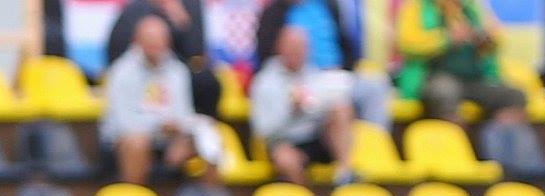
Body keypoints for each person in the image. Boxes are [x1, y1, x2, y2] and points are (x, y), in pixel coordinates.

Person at [100, 14, 221, 185]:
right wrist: (159, 126)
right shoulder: (122, 72)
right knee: (137, 143)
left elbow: (183, 113)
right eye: (150, 39)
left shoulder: (177, 71)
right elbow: (123, 124)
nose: (155, 44)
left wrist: (181, 130)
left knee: (209, 141)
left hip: (168, 139)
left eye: (160, 39)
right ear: (137, 41)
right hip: (127, 141)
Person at [254, 0, 392, 127]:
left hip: (337, 77)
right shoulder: (274, 12)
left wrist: (345, 68)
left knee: (374, 87)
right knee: (336, 107)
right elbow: (266, 55)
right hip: (301, 81)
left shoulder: (327, 5)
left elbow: (346, 45)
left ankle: (376, 144)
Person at [250, 25, 355, 185]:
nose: (298, 52)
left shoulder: (314, 74)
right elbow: (263, 131)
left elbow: (322, 105)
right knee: (285, 159)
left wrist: (322, 104)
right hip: (285, 140)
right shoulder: (265, 82)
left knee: (341, 109)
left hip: (316, 136)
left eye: (301, 47)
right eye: (293, 47)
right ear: (280, 48)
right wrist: (292, 111)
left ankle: (345, 174)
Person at [394, 0, 528, 123]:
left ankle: (496, 141)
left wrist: (486, 40)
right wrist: (447, 39)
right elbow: (407, 44)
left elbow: (497, 38)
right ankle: (454, 142)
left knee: (514, 96)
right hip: (435, 77)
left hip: (473, 79)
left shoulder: (472, 7)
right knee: (444, 92)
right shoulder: (418, 6)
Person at [105, 0, 220, 117]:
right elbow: (115, 53)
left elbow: (196, 54)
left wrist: (183, 23)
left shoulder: (190, 5)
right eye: (150, 37)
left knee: (206, 82)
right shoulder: (135, 9)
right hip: (138, 75)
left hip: (172, 72)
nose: (154, 42)